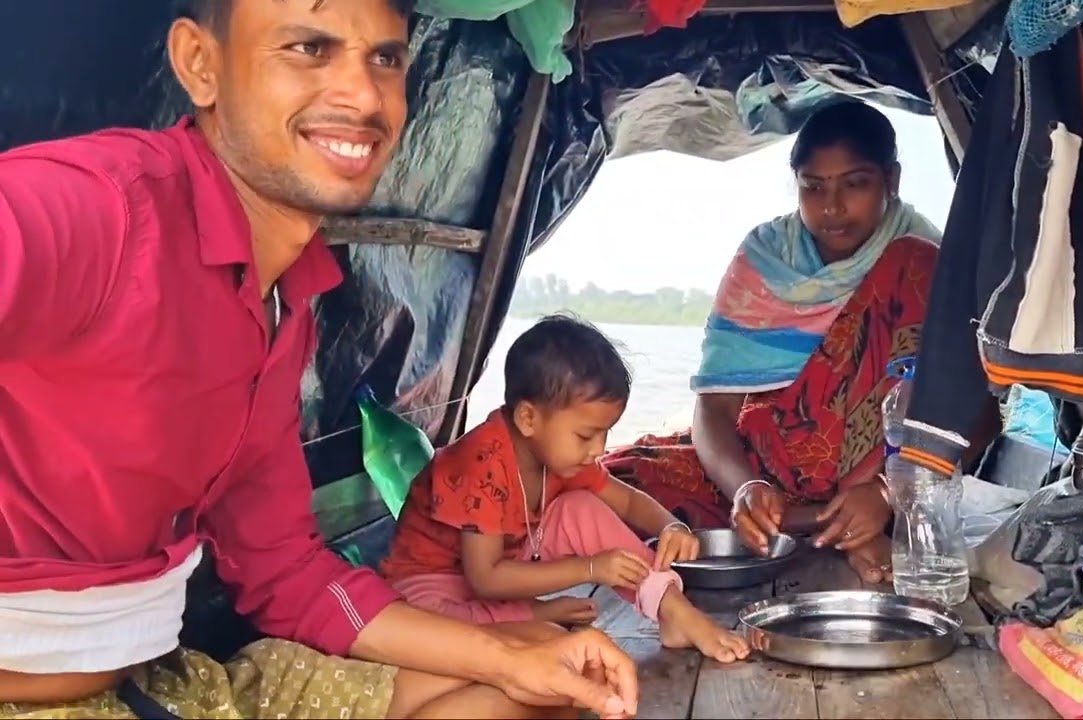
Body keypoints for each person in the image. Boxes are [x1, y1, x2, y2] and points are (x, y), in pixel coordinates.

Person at [0, 1, 637, 718]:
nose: (363, 96)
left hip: (162, 682)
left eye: (386, 59)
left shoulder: (281, 309)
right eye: (308, 47)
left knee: (536, 694)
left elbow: (285, 571)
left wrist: (512, 653)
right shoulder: (100, 212)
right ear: (199, 65)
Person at [601, 101, 942, 585]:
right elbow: (715, 409)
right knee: (606, 482)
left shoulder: (921, 258)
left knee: (915, 262)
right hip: (763, 472)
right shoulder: (765, 256)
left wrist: (887, 493)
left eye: (856, 183)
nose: (832, 207)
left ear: (892, 180)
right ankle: (811, 524)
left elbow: (973, 412)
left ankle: (848, 521)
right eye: (813, 187)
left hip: (875, 485)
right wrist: (746, 486)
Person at [381, 315, 751, 664]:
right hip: (430, 588)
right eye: (586, 435)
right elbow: (486, 578)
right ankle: (529, 613)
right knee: (460, 633)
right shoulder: (482, 464)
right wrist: (590, 568)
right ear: (528, 418)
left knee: (580, 507)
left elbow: (625, 500)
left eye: (605, 433)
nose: (598, 449)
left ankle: (673, 610)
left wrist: (672, 526)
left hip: (498, 571)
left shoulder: (557, 455)